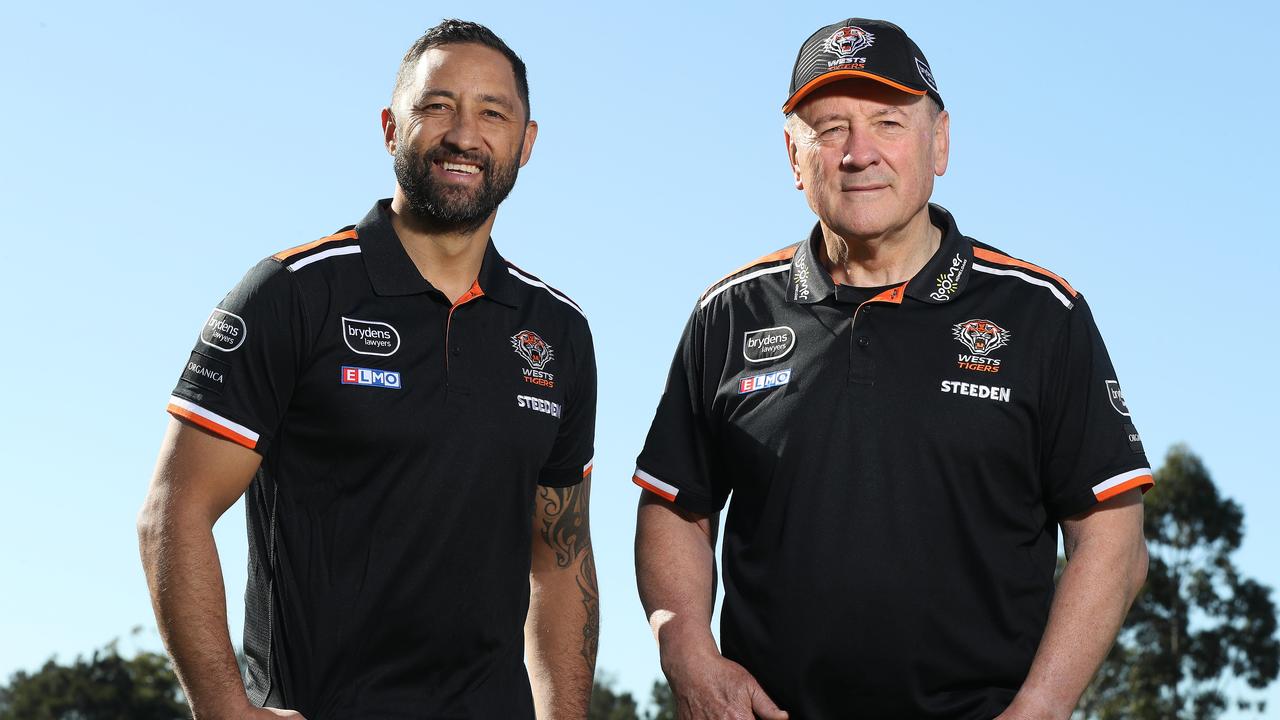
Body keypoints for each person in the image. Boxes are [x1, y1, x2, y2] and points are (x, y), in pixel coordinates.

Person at [632, 18, 1151, 720]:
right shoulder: (729, 312)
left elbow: (1113, 539)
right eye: (830, 128)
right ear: (793, 155)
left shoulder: (1042, 314)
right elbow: (674, 506)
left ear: (939, 141)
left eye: (888, 122)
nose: (859, 153)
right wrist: (686, 649)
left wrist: (1041, 708)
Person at [137, 19, 597, 719]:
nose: (464, 135)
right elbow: (175, 511)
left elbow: (560, 560)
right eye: (436, 106)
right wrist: (224, 708)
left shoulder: (557, 333)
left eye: (492, 113)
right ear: (391, 128)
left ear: (526, 143)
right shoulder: (290, 293)